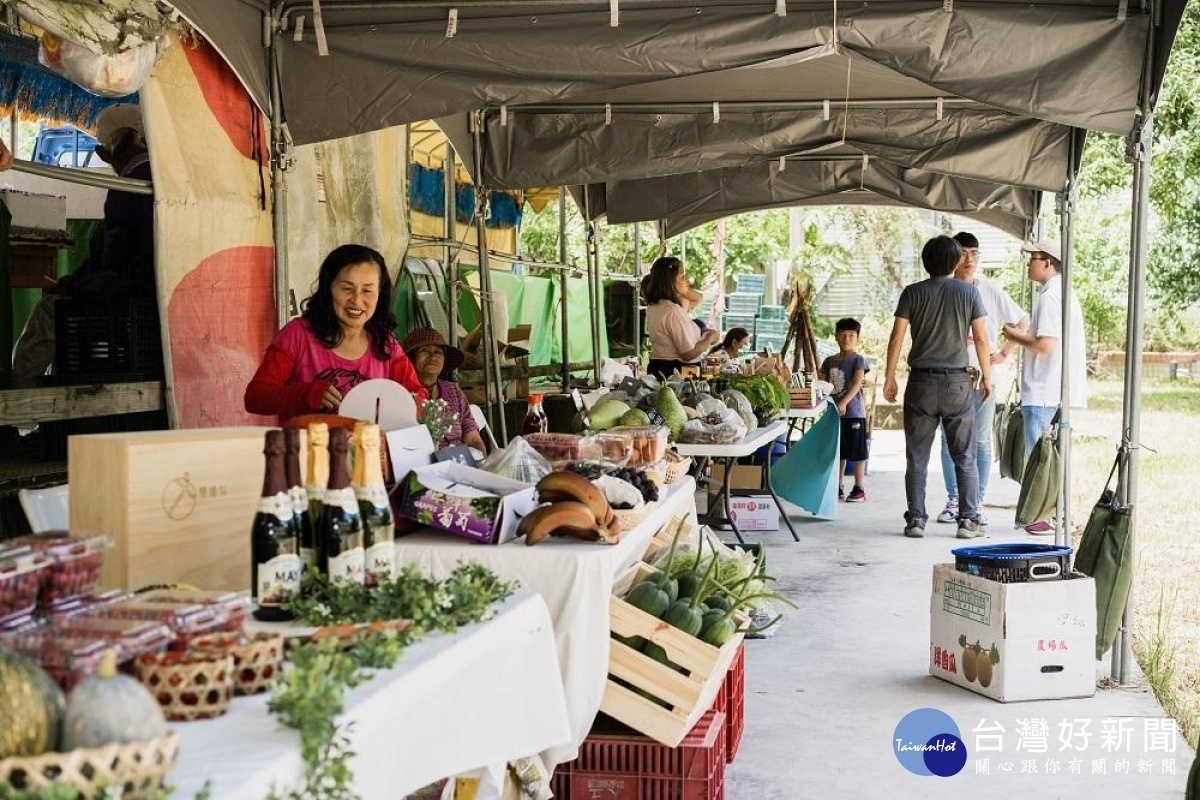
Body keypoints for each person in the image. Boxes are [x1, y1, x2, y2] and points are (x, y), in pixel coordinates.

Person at [11, 103, 156, 387]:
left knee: (49, 311)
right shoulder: (166, 175)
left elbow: (115, 264)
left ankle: (15, 404)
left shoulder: (127, 187)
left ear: (109, 150)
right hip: (154, 295)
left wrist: (70, 285)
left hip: (133, 295)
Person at [883, 235, 992, 540]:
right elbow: (981, 339)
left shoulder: (912, 293)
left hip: (920, 382)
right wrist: (987, 375)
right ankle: (968, 521)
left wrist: (889, 377)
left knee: (916, 457)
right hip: (957, 383)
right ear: (956, 261)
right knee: (964, 455)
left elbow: (897, 337)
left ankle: (916, 520)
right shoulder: (968, 292)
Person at [245, 244, 426, 423]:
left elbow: (418, 397)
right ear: (328, 288)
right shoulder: (298, 334)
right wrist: (305, 394)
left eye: (367, 290)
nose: (356, 300)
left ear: (380, 293)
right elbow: (256, 398)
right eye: (347, 288)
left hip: (368, 450)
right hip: (307, 450)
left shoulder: (385, 344)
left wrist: (406, 405)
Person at [934, 232, 1030, 525]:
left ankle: (975, 503)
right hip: (949, 377)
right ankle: (954, 500)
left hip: (984, 378)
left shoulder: (989, 289)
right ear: (952, 257)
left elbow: (1023, 321)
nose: (970, 259)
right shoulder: (942, 289)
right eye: (963, 253)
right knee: (949, 442)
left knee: (981, 443)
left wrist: (1003, 353)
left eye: (974, 253)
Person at [1001, 240, 1088, 535]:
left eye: (1033, 258)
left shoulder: (1050, 297)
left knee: (1039, 458)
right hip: (1051, 389)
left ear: (1048, 262)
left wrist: (1015, 335)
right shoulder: (1059, 293)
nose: (1029, 263)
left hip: (1043, 388)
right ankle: (1050, 512)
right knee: (1048, 456)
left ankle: (1040, 516)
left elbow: (1046, 345)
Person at [401, 326, 488, 455]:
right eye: (424, 351)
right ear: (411, 359)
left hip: (458, 465)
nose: (432, 357)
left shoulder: (454, 392)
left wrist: (478, 462)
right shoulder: (402, 395)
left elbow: (474, 440)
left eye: (438, 352)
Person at [820, 318, 870, 502]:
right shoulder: (828, 361)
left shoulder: (859, 360)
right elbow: (823, 383)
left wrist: (844, 403)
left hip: (854, 413)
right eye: (843, 335)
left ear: (857, 339)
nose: (847, 338)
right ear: (836, 337)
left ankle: (859, 488)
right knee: (838, 451)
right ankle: (838, 486)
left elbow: (857, 383)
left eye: (851, 335)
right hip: (833, 413)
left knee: (857, 453)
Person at [644, 256, 719, 378]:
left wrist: (682, 288)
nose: (687, 279)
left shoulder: (657, 306)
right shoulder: (672, 310)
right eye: (682, 276)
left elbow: (698, 298)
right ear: (669, 280)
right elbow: (688, 354)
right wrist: (710, 338)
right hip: (676, 373)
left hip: (660, 368)